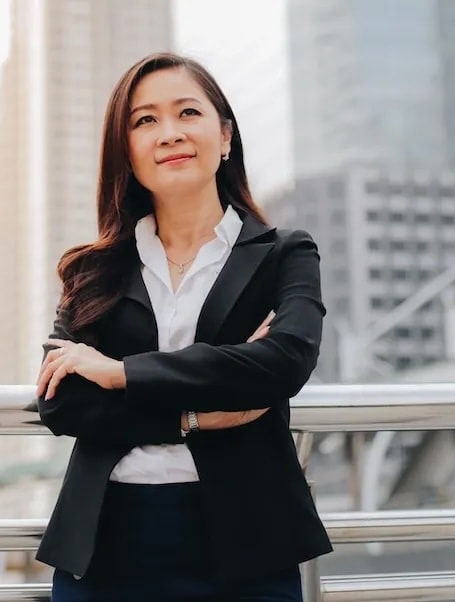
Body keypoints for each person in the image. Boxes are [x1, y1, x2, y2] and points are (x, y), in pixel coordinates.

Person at [32, 52, 330, 601]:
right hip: (105, 548)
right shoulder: (92, 270)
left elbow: (283, 361)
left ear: (224, 137)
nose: (169, 133)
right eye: (145, 120)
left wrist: (120, 373)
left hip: (248, 549)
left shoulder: (284, 254)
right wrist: (197, 415)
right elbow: (64, 401)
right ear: (127, 152)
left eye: (187, 112)